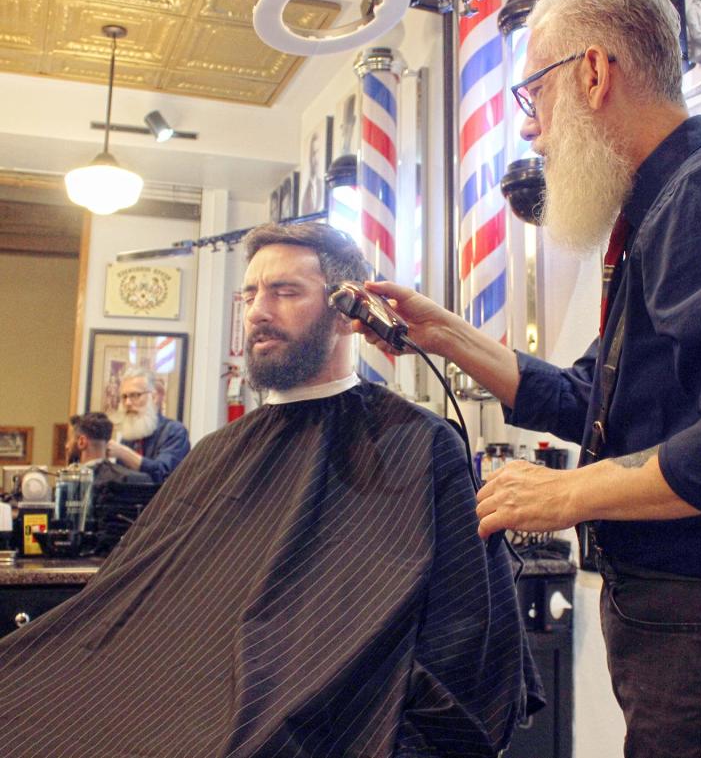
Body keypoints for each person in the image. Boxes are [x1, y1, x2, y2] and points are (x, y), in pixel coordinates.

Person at [359, 0, 701, 758]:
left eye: (533, 96)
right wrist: (449, 336)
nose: (530, 130)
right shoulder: (665, 207)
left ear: (592, 72)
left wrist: (567, 493)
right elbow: (593, 396)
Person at [0, 221, 541, 758]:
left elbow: (467, 636)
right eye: (251, 294)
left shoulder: (419, 444)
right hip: (174, 710)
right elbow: (132, 607)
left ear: (348, 313)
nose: (258, 310)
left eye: (285, 292)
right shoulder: (216, 452)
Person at [105, 367, 189, 484]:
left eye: (135, 395)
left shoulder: (174, 431)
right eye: (124, 397)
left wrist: (124, 454)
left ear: (154, 397)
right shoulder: (128, 437)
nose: (128, 403)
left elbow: (163, 474)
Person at [66, 412, 153, 486]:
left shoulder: (72, 482)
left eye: (69, 439)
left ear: (82, 442)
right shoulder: (135, 479)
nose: (67, 446)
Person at [300, 128, 324, 214]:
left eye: (317, 153)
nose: (315, 159)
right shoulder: (306, 189)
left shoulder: (322, 185)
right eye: (313, 153)